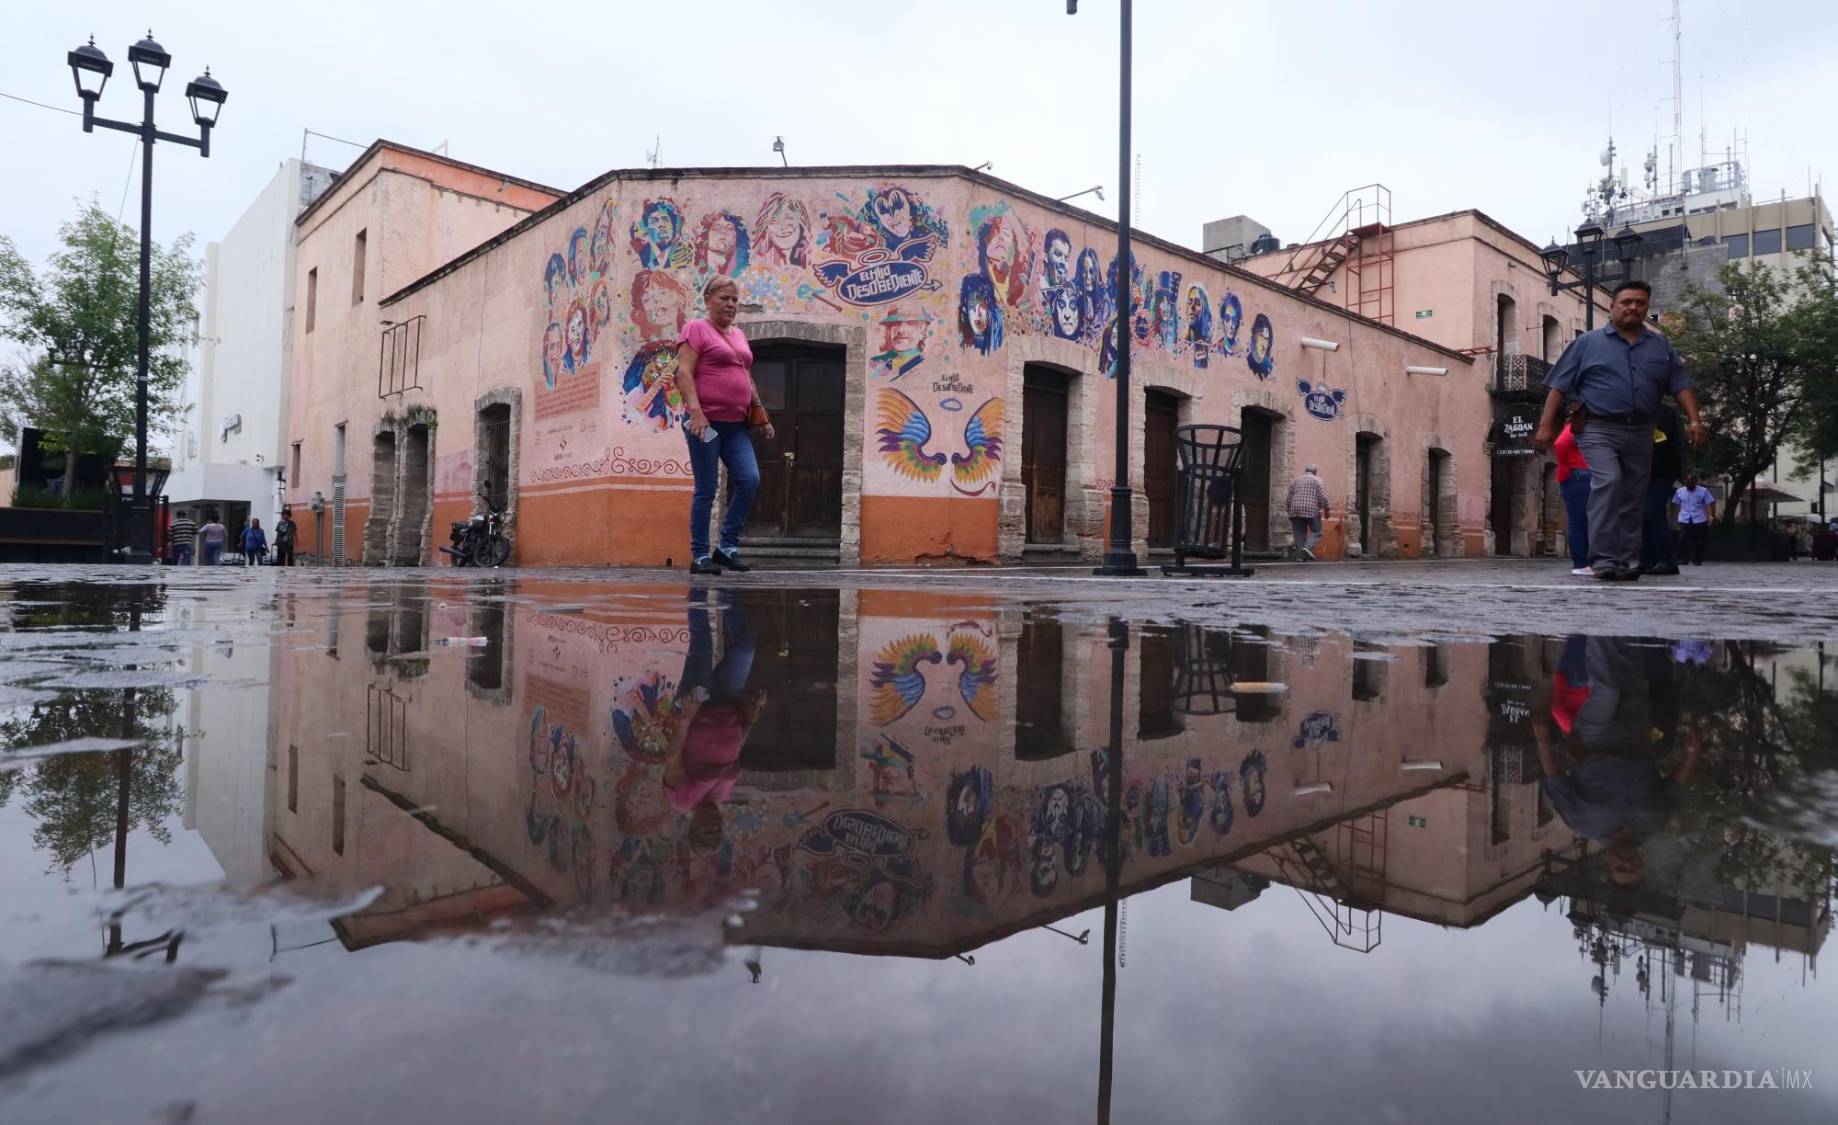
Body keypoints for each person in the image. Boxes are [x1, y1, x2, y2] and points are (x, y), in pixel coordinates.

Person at [1533, 281, 1707, 581]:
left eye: (1640, 303)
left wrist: (1695, 421)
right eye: (1626, 302)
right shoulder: (1587, 343)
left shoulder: (1660, 346)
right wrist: (1545, 426)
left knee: (1634, 494)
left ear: (1647, 308)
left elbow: (1680, 385)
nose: (1633, 307)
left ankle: (1626, 560)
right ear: (1612, 306)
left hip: (1641, 430)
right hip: (1597, 427)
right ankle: (1602, 559)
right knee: (1609, 481)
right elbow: (1559, 386)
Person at [675, 275, 774, 575]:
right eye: (724, 298)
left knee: (750, 479)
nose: (731, 304)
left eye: (735, 299)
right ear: (708, 300)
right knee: (707, 488)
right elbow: (683, 372)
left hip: (736, 427)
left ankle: (726, 548)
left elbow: (745, 375)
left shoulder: (739, 335)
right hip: (705, 424)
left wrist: (762, 414)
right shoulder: (696, 329)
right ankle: (700, 555)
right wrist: (696, 413)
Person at [663, 589, 767, 854]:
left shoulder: (682, 800)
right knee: (745, 648)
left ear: (693, 827)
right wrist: (751, 716)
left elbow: (673, 758)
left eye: (707, 831)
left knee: (703, 644)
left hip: (696, 709)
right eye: (718, 831)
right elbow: (734, 753)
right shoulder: (723, 794)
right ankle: (727, 590)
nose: (715, 826)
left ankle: (698, 584)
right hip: (727, 706)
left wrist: (686, 718)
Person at [1639, 403, 1684, 575]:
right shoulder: (1642, 410)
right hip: (1647, 471)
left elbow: (1660, 441)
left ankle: (1667, 560)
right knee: (1644, 514)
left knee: (1653, 511)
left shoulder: (1661, 412)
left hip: (1660, 470)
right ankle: (1647, 560)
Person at [1553, 403, 1593, 576]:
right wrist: (1566, 467)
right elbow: (1560, 444)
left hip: (1579, 474)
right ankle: (1581, 563)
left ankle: (1584, 562)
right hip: (1579, 474)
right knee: (1580, 521)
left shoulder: (1578, 427)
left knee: (1582, 521)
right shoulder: (1575, 428)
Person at [1285, 464, 1330, 561]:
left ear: (1305, 471)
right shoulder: (1317, 480)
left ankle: (1300, 556)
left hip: (1295, 509)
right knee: (1317, 531)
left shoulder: (1296, 480)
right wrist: (1326, 510)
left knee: (1299, 534)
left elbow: (1289, 498)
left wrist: (1288, 510)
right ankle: (1307, 548)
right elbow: (1322, 497)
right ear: (1315, 472)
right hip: (1311, 509)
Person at [1671, 474, 1716, 565]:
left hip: (1700, 518)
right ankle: (1683, 559)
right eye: (1688, 482)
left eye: (1691, 482)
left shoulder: (1703, 491)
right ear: (1685, 482)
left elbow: (1708, 504)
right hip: (1684, 518)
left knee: (1699, 540)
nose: (1690, 484)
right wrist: (1675, 518)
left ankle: (1697, 560)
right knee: (1682, 539)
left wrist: (1710, 516)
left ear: (1695, 482)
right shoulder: (1680, 491)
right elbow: (1676, 505)